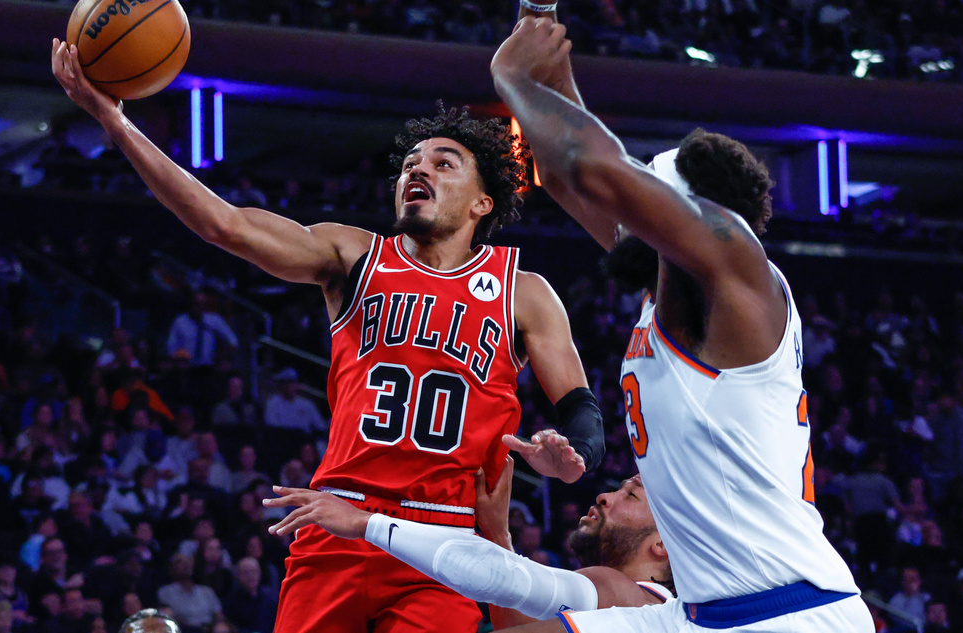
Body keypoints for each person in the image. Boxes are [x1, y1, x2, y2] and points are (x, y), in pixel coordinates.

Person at [51, 40, 604, 633]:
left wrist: (567, 461)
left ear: (481, 202)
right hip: (339, 516)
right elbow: (224, 225)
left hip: (444, 540)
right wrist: (114, 121)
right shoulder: (353, 254)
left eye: (443, 163)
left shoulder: (522, 290)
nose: (418, 168)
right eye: (411, 162)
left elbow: (582, 415)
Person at [488, 10, 871, 633]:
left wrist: (510, 76)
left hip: (790, 612)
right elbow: (559, 173)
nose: (635, 208)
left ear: (688, 210)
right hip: (706, 611)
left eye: (650, 194)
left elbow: (594, 167)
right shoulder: (670, 283)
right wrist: (549, 54)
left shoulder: (734, 267)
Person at [264, 456, 672, 630]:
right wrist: (498, 534)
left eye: (630, 495)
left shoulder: (630, 599)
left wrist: (366, 522)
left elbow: (507, 580)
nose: (604, 496)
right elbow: (522, 614)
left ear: (665, 547)